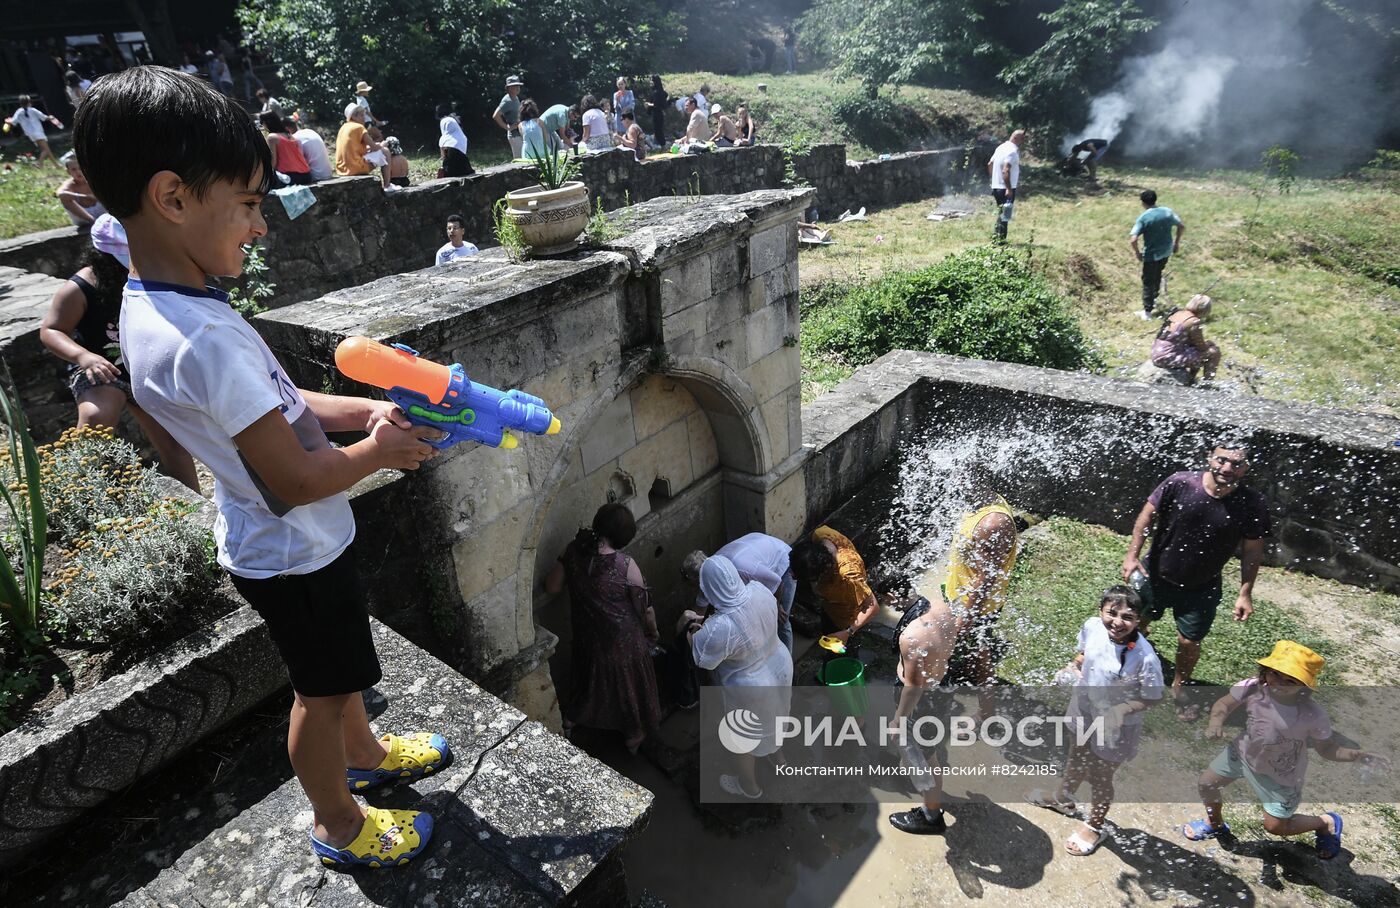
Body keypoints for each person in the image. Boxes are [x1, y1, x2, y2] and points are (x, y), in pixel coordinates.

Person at [75, 66, 450, 868]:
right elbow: (298, 479)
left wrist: (362, 409)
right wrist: (380, 451)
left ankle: (368, 755)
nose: (261, 226)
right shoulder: (203, 340)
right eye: (248, 203)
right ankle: (338, 823)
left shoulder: (163, 304)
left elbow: (278, 403)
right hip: (294, 547)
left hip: (284, 544)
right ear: (173, 196)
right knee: (320, 694)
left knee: (342, 673)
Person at [38, 214, 198, 491]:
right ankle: (78, 494)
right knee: (96, 418)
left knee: (174, 442)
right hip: (100, 368)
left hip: (142, 368)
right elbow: (51, 330)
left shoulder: (151, 275)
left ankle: (196, 507)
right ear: (102, 255)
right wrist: (83, 356)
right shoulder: (79, 289)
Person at [1184, 641, 1382, 860]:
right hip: (1242, 753)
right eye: (1276, 675)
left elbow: (1327, 749)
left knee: (1276, 827)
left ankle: (1324, 822)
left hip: (1281, 774)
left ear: (1304, 686)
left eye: (1291, 681)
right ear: (1266, 671)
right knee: (1207, 783)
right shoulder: (1252, 687)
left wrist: (1356, 756)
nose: (1280, 684)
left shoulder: (1312, 715)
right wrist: (1215, 723)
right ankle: (1215, 823)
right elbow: (1224, 704)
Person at [1122, 441, 1270, 721]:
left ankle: (1180, 687)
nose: (1227, 468)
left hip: (1201, 586)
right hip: (1155, 576)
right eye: (1221, 460)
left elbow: (1252, 551)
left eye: (1236, 464)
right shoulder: (1179, 483)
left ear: (1246, 468)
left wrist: (1245, 592)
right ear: (1209, 458)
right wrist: (1132, 556)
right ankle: (1131, 667)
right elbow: (1146, 517)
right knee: (1136, 623)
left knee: (1189, 642)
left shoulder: (1251, 503)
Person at [1028, 587, 1164, 855]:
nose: (1117, 622)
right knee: (1075, 757)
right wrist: (1072, 667)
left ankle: (1095, 825)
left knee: (1101, 776)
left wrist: (1123, 709)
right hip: (1083, 708)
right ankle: (1063, 798)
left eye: (1127, 617)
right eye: (1111, 613)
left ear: (1139, 621)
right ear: (1100, 611)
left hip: (1117, 727)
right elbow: (1084, 654)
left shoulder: (1144, 657)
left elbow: (1155, 697)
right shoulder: (1092, 626)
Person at [545, 503, 662, 755]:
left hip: (588, 637)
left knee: (589, 683)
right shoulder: (624, 564)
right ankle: (633, 737)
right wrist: (652, 632)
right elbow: (646, 608)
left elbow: (552, 587)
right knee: (628, 691)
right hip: (623, 644)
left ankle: (569, 722)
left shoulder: (573, 550)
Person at [681, 556, 793, 798]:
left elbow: (700, 657)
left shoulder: (720, 627)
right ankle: (778, 758)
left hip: (750, 686)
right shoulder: (759, 590)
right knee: (779, 713)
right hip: (780, 664)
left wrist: (688, 627)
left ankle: (749, 787)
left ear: (708, 589)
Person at [885, 591, 959, 834]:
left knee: (927, 759)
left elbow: (913, 687)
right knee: (921, 751)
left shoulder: (912, 637)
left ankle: (931, 815)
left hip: (923, 702)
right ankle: (908, 765)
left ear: (890, 594)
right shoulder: (939, 605)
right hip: (942, 686)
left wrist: (898, 719)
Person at [941, 464, 1019, 693]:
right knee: (970, 648)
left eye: (957, 476)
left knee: (980, 654)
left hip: (976, 606)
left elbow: (988, 575)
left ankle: (985, 711)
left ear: (974, 478)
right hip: (962, 596)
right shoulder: (981, 501)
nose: (952, 482)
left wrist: (968, 614)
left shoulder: (992, 523)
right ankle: (968, 670)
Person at [681, 532, 795, 653]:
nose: (696, 588)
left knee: (781, 620)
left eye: (694, 584)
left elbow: (777, 583)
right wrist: (689, 637)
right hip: (757, 553)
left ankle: (787, 658)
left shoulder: (742, 567)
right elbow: (699, 611)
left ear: (700, 577)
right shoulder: (709, 574)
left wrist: (776, 606)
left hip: (782, 562)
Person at [789, 526, 878, 652]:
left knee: (844, 657)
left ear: (823, 572)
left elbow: (872, 606)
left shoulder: (849, 576)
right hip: (829, 607)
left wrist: (848, 632)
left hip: (847, 620)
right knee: (828, 644)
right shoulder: (820, 535)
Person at [1130, 189, 1186, 319]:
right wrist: (1176, 243)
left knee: (1148, 280)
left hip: (1151, 254)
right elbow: (1181, 226)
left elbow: (1133, 239)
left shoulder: (1143, 218)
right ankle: (1153, 300)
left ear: (1143, 203)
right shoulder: (1167, 212)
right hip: (1166, 251)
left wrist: (1137, 253)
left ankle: (1147, 311)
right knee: (1158, 275)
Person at [1151, 293, 1220, 383]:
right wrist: (1209, 344)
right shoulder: (1194, 321)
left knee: (1195, 352)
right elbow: (1201, 347)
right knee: (1214, 352)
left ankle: (1190, 379)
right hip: (1168, 357)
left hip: (1158, 353)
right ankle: (1208, 382)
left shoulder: (1177, 314)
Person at [987, 129, 1025, 242]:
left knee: (1001, 212)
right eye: (1022, 138)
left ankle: (996, 237)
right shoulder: (1012, 152)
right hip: (1006, 188)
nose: (1023, 141)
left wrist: (993, 179)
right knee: (1005, 215)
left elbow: (990, 164)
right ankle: (1001, 240)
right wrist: (1008, 189)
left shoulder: (1001, 147)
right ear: (1015, 138)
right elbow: (1005, 170)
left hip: (996, 187)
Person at [6, 96, 62, 166]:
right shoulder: (33, 110)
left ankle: (55, 164)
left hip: (30, 134)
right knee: (46, 150)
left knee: (45, 149)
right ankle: (39, 163)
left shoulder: (19, 111)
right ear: (29, 102)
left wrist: (8, 121)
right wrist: (51, 117)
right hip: (38, 132)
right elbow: (44, 118)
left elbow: (13, 121)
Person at [260, 113, 313, 186]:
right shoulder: (291, 136)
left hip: (289, 177)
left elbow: (273, 163)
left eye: (261, 123)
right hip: (306, 175)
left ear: (266, 123)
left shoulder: (272, 137)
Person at [55, 151, 106, 226]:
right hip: (83, 217)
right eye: (74, 169)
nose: (78, 172)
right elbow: (60, 194)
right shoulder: (69, 184)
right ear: (68, 172)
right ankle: (93, 221)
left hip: (102, 211)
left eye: (80, 168)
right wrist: (86, 197)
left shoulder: (94, 180)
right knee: (64, 198)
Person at [334, 103, 381, 178]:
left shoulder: (343, 127)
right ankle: (387, 185)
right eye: (361, 115)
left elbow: (353, 148)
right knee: (385, 152)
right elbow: (374, 147)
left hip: (341, 169)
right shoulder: (359, 127)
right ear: (353, 116)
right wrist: (384, 144)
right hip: (355, 167)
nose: (364, 118)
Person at [435, 103, 474, 177]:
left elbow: (443, 157)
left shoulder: (443, 139)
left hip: (451, 170)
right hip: (464, 168)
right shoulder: (463, 137)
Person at [493, 75, 524, 160]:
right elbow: (496, 115)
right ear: (509, 88)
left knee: (524, 158)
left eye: (518, 85)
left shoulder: (515, 97)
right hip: (514, 135)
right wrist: (507, 127)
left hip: (519, 133)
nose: (517, 88)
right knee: (519, 161)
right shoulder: (507, 101)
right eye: (515, 86)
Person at [646, 74, 668, 146]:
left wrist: (648, 104)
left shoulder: (656, 92)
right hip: (661, 113)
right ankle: (661, 144)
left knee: (657, 130)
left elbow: (655, 104)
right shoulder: (661, 91)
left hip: (657, 113)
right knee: (659, 129)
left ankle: (662, 144)